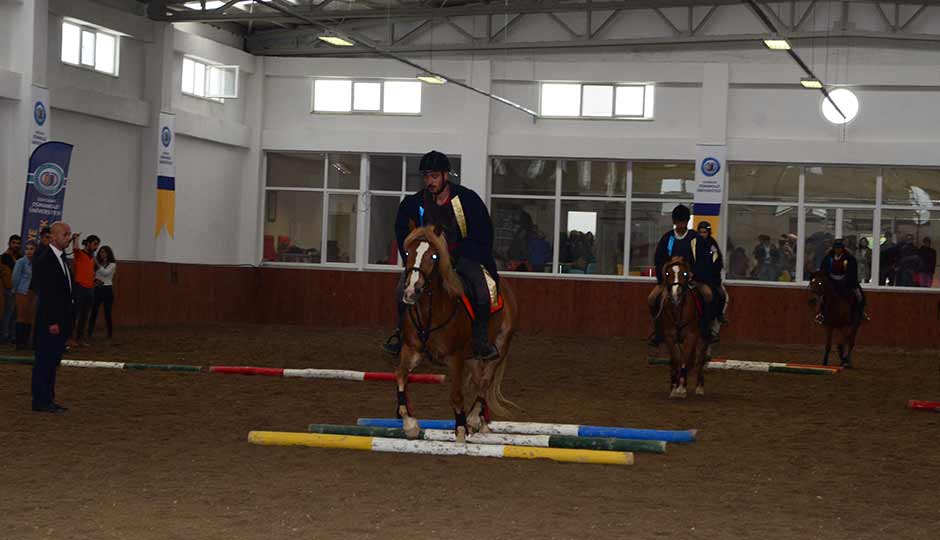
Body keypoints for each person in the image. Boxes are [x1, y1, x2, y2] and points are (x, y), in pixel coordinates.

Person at [382, 150, 500, 361]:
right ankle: (402, 336)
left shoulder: (467, 200)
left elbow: (484, 233)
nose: (430, 181)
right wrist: (412, 259)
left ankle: (480, 340)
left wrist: (463, 254)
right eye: (426, 176)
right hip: (427, 261)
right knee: (401, 290)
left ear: (446, 175)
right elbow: (402, 234)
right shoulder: (413, 204)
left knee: (482, 292)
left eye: (434, 176)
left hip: (463, 257)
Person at [647, 204, 713, 346]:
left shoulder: (695, 239)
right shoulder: (668, 238)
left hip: (691, 278)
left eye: (683, 222)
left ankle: (705, 329)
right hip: (671, 279)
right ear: (674, 222)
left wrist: (694, 273)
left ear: (687, 221)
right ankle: (658, 330)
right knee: (652, 298)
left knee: (708, 295)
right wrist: (665, 275)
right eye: (678, 222)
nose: (681, 225)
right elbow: (659, 258)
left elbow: (703, 259)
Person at [31, 221, 76, 413]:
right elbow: (46, 293)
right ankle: (41, 401)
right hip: (51, 322)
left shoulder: (62, 258)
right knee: (45, 361)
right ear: (55, 236)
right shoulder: (45, 258)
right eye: (66, 235)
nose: (69, 238)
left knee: (52, 362)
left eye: (69, 235)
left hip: (61, 320)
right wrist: (52, 321)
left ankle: (48, 399)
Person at [815, 238, 869, 324]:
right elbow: (824, 269)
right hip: (831, 280)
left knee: (859, 294)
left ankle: (861, 312)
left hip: (845, 280)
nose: (837, 250)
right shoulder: (829, 257)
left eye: (839, 248)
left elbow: (852, 270)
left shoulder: (849, 258)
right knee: (822, 296)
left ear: (842, 248)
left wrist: (849, 280)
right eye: (836, 248)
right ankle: (821, 314)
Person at [696, 221, 729, 325]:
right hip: (698, 279)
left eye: (704, 232)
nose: (702, 234)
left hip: (712, 278)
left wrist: (715, 276)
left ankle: (719, 315)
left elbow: (718, 260)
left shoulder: (712, 243)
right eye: (700, 232)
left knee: (722, 295)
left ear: (708, 232)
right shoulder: (694, 243)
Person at [70, 234, 99, 346]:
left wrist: (94, 279)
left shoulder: (92, 258)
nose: (96, 247)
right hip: (79, 287)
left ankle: (80, 338)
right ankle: (69, 337)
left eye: (97, 245)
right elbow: (75, 248)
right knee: (75, 313)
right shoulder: (80, 254)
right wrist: (76, 239)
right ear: (87, 243)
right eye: (94, 244)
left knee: (84, 315)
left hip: (89, 288)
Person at [12, 242, 36, 350]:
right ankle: (19, 343)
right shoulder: (20, 262)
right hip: (22, 291)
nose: (29, 251)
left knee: (29, 318)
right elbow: (15, 277)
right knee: (21, 316)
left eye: (32, 249)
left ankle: (26, 342)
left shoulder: (37, 263)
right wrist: (15, 290)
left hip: (33, 292)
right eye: (27, 249)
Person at [89, 246, 117, 339]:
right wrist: (95, 280)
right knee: (94, 311)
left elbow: (105, 273)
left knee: (107, 312)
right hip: (98, 289)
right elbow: (94, 275)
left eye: (104, 252)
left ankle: (110, 333)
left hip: (107, 289)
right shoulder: (98, 264)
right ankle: (89, 332)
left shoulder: (112, 264)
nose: (102, 254)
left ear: (108, 253)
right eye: (101, 252)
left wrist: (96, 262)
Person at [1, 234, 21, 344]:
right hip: (9, 289)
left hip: (18, 290)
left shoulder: (20, 257)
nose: (16, 245)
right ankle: (4, 335)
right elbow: (7, 275)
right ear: (9, 244)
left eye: (18, 243)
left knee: (15, 314)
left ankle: (12, 336)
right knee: (8, 313)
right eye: (14, 243)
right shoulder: (5, 257)